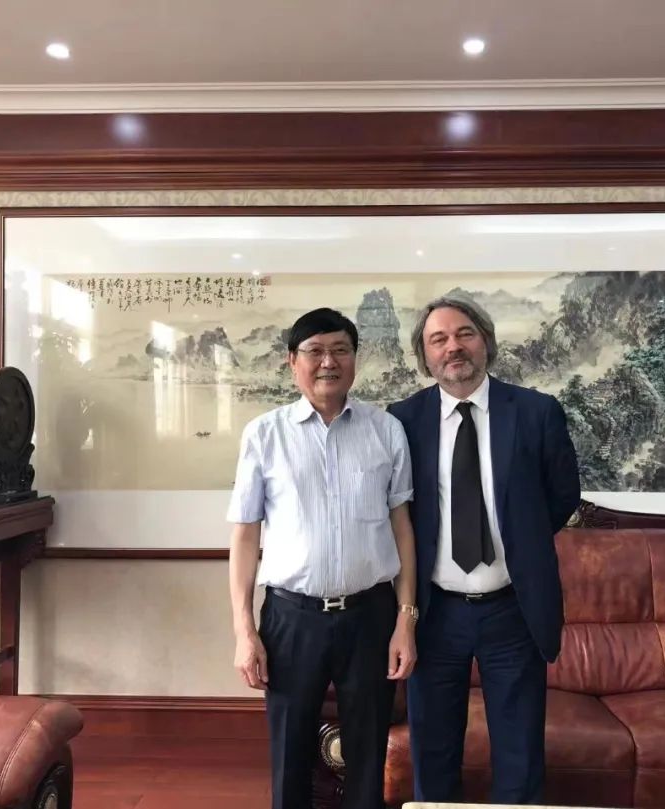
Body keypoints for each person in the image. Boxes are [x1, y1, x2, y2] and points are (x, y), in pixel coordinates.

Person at [388, 296, 580, 805]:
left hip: (512, 610)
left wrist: (519, 540)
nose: (453, 347)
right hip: (434, 612)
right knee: (433, 752)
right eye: (439, 339)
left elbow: (562, 497)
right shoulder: (403, 420)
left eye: (464, 333)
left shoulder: (536, 412)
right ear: (425, 356)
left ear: (486, 342)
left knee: (520, 755)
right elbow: (397, 511)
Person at [228, 307, 420, 809]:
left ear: (355, 359)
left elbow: (402, 527)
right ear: (292, 361)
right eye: (314, 351)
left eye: (340, 350)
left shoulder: (385, 430)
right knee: (289, 757)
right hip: (292, 618)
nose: (328, 362)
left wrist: (405, 620)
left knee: (368, 755)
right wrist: (245, 631)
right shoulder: (264, 434)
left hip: (371, 616)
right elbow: (245, 536)